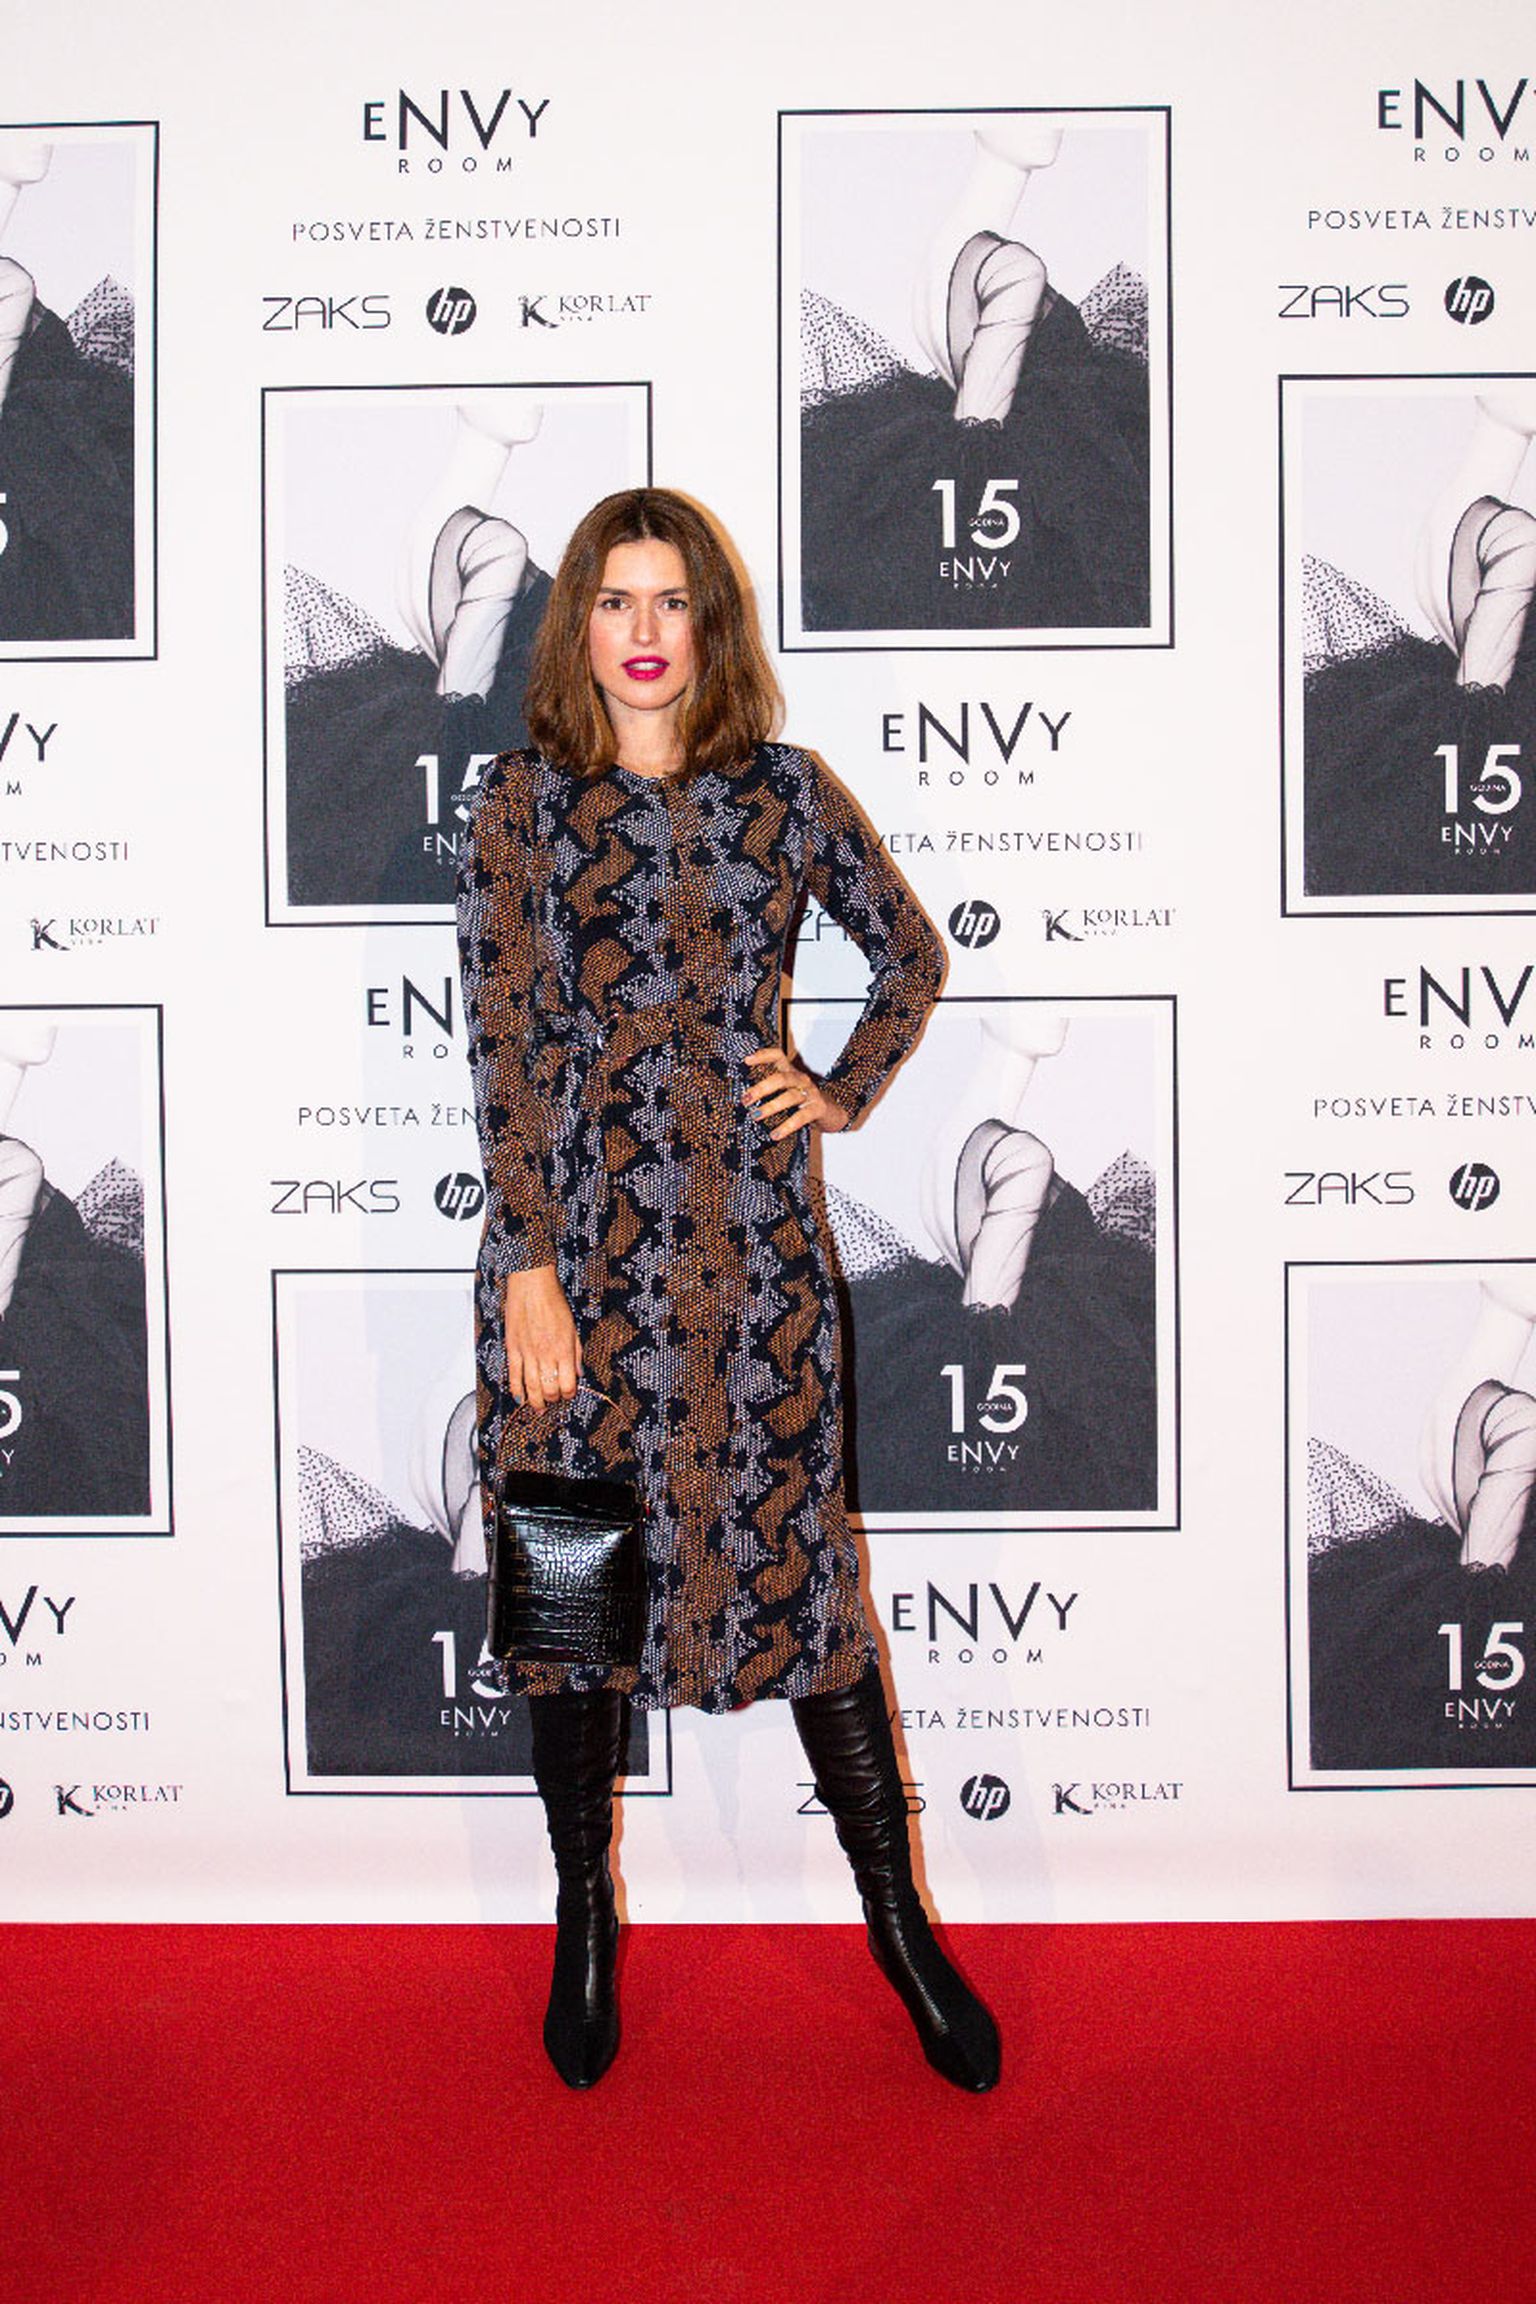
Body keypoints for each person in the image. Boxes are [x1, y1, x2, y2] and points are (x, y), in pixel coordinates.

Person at [455, 487, 1000, 2092]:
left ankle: (901, 1927)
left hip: (755, 1264)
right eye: (614, 600)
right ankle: (585, 1919)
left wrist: (838, 1088)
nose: (644, 631)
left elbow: (910, 955)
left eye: (671, 600)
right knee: (573, 1593)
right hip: (576, 1263)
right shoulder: (523, 804)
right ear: (578, 625)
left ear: (712, 624)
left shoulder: (784, 793)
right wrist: (529, 1264)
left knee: (811, 1590)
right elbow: (502, 1043)